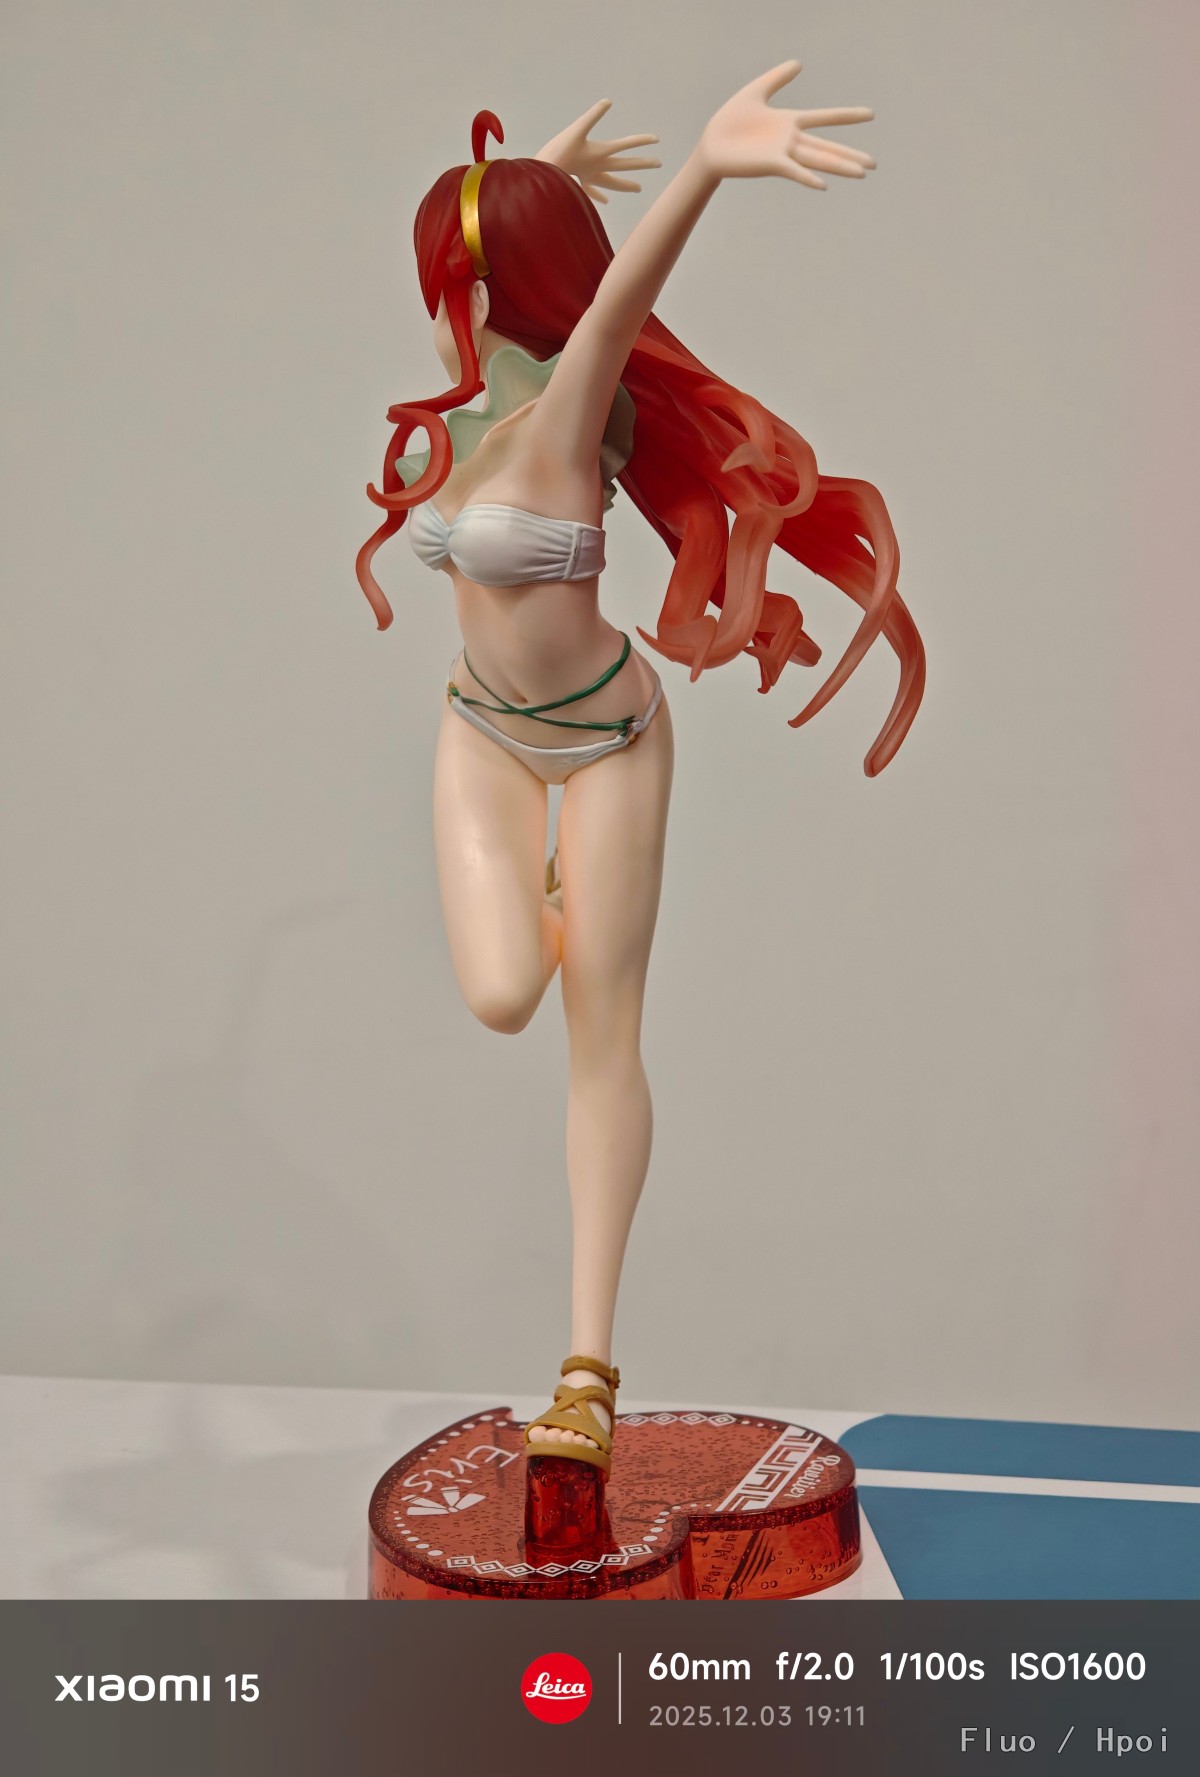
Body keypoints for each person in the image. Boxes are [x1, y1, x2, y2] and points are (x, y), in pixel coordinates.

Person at [356, 63, 925, 1504]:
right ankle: (559, 892)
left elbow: (615, 302)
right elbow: (517, 281)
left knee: (600, 1038)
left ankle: (585, 1373)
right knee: (502, 992)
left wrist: (707, 171)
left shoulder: (566, 413)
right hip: (482, 733)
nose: (447, 305)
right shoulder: (465, 396)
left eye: (467, 276)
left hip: (608, 739)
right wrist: (529, 184)